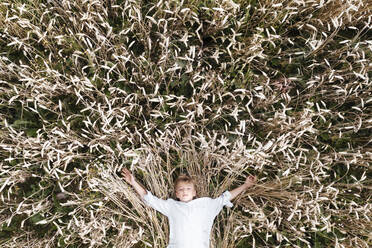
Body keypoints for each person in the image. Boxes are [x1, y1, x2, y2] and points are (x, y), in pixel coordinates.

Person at [121, 168, 257, 248]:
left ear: (194, 192)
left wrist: (245, 185)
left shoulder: (207, 204)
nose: (184, 191)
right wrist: (133, 182)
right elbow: (149, 199)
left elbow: (225, 198)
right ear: (176, 194)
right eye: (181, 189)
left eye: (188, 189)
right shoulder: (172, 206)